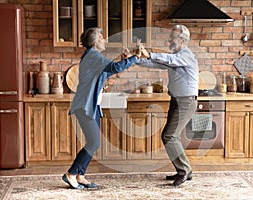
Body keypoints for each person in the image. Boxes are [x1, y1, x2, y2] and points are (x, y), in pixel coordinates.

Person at [63, 27, 141, 189]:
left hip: (91, 106)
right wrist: (136, 57)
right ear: (95, 41)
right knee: (94, 142)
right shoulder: (93, 55)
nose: (104, 40)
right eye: (102, 37)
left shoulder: (92, 56)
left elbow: (106, 73)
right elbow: (115, 68)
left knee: (94, 142)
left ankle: (80, 175)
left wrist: (124, 59)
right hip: (85, 106)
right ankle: (71, 173)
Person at [138, 25, 198, 186]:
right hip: (177, 100)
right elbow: (157, 63)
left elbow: (168, 60)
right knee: (172, 136)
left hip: (186, 101)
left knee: (169, 136)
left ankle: (184, 170)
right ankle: (184, 170)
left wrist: (149, 53)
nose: (169, 39)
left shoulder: (185, 56)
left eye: (173, 37)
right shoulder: (175, 56)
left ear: (182, 40)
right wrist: (135, 59)